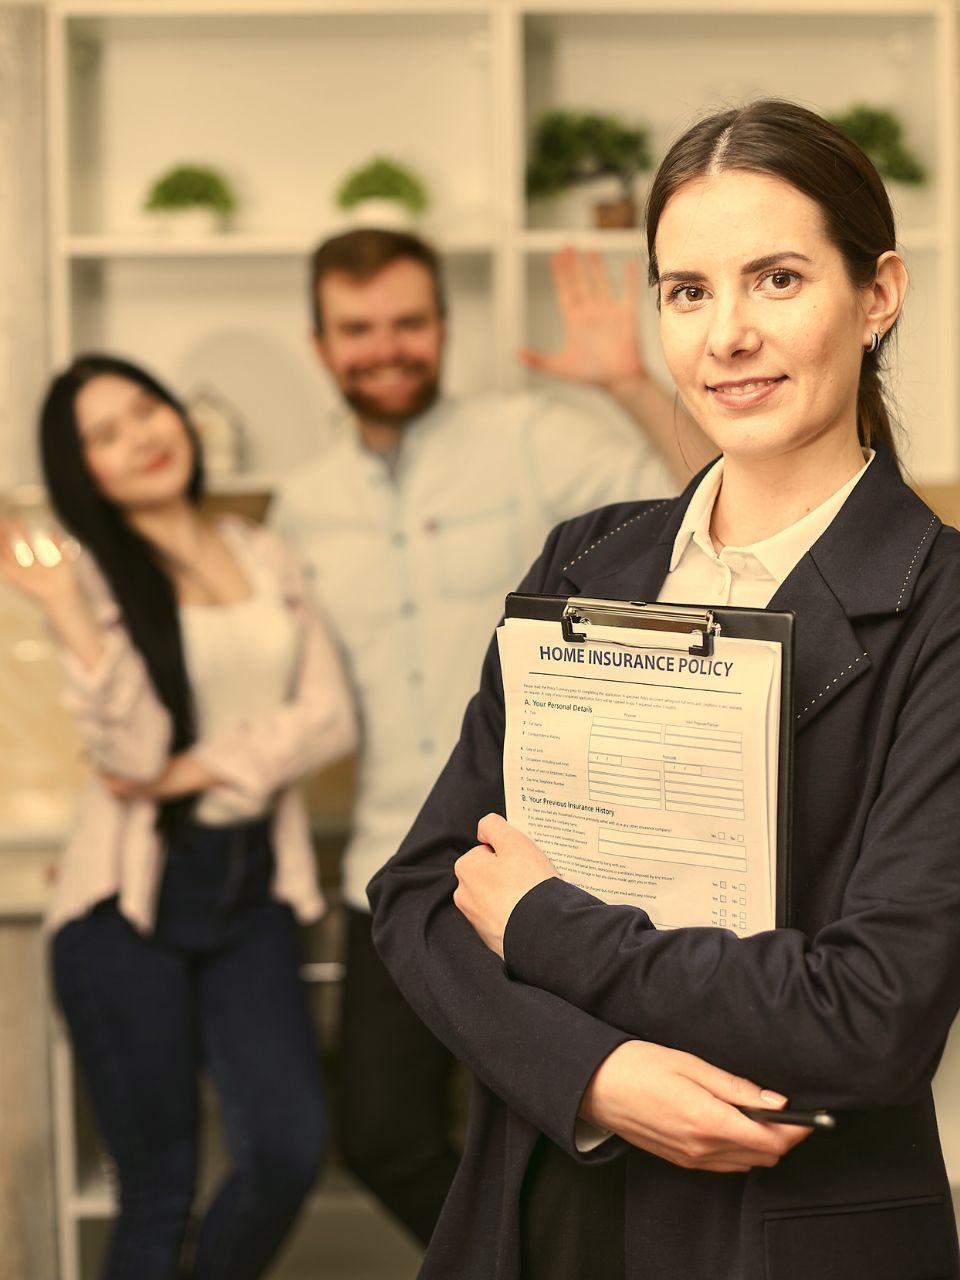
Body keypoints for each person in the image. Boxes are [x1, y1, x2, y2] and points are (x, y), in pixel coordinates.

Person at [368, 98, 960, 1280]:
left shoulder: (942, 608)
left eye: (777, 279)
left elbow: (874, 1006)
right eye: (687, 291)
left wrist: (545, 926)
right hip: (538, 1206)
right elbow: (423, 894)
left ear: (877, 293)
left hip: (787, 1228)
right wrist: (594, 1074)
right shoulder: (586, 558)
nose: (726, 333)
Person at [269, 229, 708, 1245]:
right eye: (359, 327)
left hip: (552, 866)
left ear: (443, 326)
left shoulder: (532, 439)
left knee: (570, 1131)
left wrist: (630, 381)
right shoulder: (302, 507)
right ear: (321, 341)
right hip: (402, 867)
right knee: (381, 1132)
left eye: (409, 322)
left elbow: (712, 489)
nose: (387, 347)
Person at [0, 354, 356, 1280]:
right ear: (86, 473)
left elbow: (329, 717)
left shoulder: (263, 552)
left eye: (145, 410)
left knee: (286, 1152)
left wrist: (205, 765)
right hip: (125, 906)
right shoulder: (92, 579)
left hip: (252, 890)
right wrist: (65, 613)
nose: (140, 438)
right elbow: (133, 759)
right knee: (157, 1187)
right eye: (104, 436)